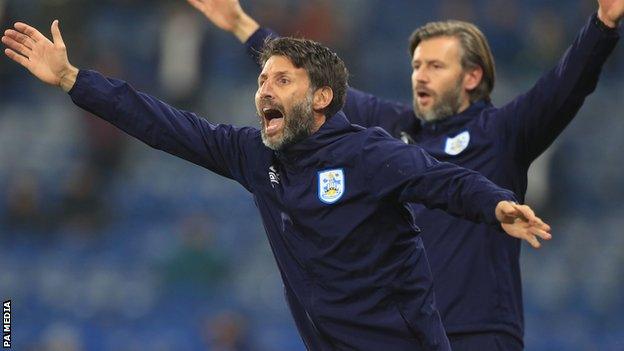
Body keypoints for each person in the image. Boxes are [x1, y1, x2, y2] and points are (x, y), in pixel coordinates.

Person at [1, 21, 551, 350]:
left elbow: (441, 179)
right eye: (261, 79)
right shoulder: (252, 155)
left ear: (320, 98)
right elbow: (165, 125)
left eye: (282, 79)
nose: (264, 88)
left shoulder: (367, 152)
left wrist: (496, 203)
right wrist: (75, 80)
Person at [184, 0, 623, 349]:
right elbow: (307, 83)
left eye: (435, 66)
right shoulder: (390, 131)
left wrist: (602, 25)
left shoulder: (503, 132)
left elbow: (565, 85)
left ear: (472, 77)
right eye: (415, 66)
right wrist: (242, 24)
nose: (419, 76)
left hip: (477, 331)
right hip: (407, 334)